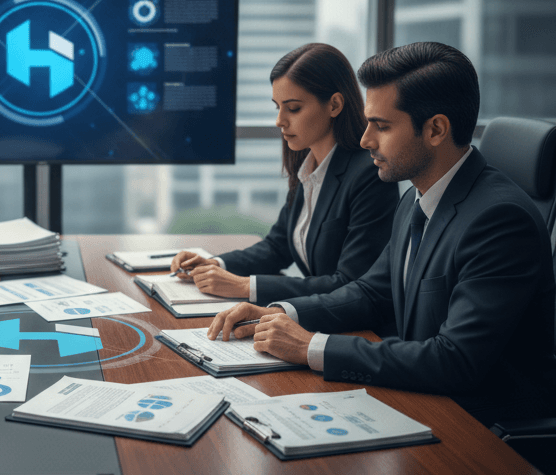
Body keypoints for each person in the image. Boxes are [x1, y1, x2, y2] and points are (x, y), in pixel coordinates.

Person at [208, 41, 556, 428]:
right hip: (421, 401)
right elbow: (371, 292)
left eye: (382, 126)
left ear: (436, 129)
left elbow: (455, 360)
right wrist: (279, 314)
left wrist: (311, 347)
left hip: (482, 433)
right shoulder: (415, 199)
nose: (364, 140)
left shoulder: (500, 221)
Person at [171, 42, 398, 304]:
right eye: (277, 107)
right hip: (316, 315)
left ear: (334, 105)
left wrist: (246, 287)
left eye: (293, 108)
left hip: (357, 327)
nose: (280, 120)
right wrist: (215, 264)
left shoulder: (369, 175)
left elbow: (348, 282)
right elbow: (277, 247)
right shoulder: (307, 166)